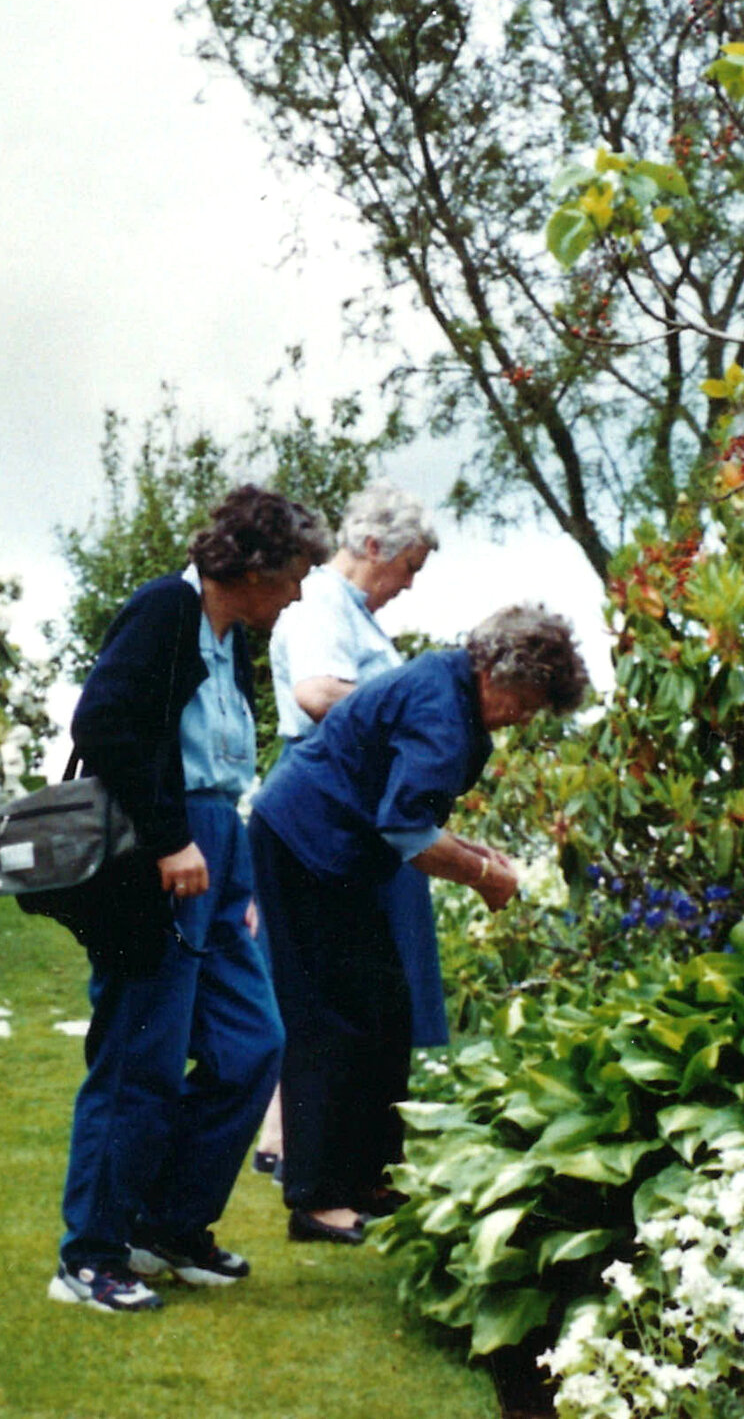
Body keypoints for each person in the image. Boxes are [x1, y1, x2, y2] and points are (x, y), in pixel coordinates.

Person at [48, 485, 331, 1312]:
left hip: (217, 854)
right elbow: (102, 725)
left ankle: (169, 1226)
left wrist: (233, 873)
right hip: (155, 861)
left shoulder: (229, 635)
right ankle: (90, 1255)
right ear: (252, 567)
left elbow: (222, 760)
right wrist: (174, 840)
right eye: (293, 575)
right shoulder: (165, 610)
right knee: (140, 1060)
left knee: (252, 1046)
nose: (301, 591)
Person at [249, 603, 589, 1244]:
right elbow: (405, 830)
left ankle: (372, 1179)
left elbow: (410, 807)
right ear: (496, 669)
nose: (524, 716)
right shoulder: (442, 707)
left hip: (339, 850)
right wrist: (486, 877)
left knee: (385, 1011)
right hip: (304, 844)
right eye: (527, 699)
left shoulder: (450, 687)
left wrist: (472, 851)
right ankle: (317, 1199)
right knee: (329, 1018)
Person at [252, 482, 442, 1178]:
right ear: (371, 547)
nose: (409, 585)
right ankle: (305, 1157)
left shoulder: (354, 613)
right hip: (324, 811)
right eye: (409, 567)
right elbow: (317, 692)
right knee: (328, 994)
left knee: (368, 994)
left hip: (356, 813)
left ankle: (342, 1160)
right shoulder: (320, 606)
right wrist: (419, 718)